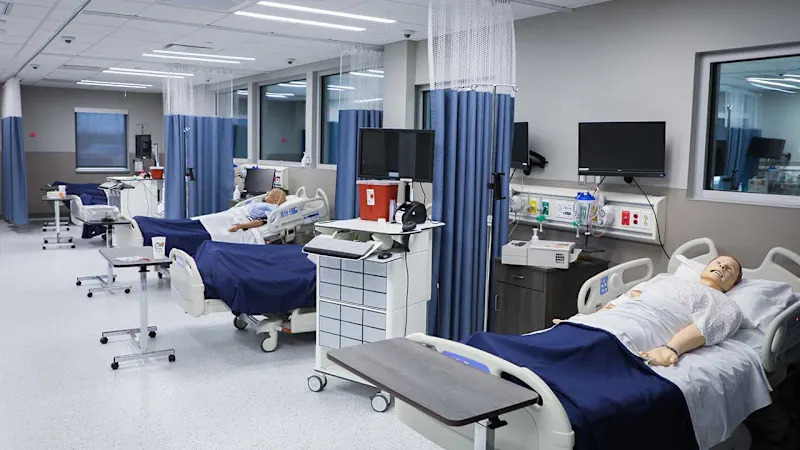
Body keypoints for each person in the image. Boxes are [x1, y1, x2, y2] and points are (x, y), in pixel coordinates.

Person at [558, 256, 744, 367]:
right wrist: (589, 319)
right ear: (705, 268)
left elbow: (705, 328)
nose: (722, 266)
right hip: (625, 312)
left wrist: (671, 349)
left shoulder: (725, 304)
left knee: (598, 346)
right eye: (718, 262)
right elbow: (630, 296)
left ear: (733, 285)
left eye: (729, 269)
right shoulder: (665, 279)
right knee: (566, 337)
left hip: (653, 322)